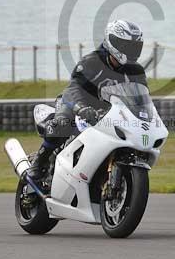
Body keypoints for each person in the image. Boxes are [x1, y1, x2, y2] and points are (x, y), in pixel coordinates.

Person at [27, 19, 148, 183]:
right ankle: (38, 163)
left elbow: (140, 99)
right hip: (75, 104)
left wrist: (145, 117)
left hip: (106, 113)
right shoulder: (92, 62)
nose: (132, 51)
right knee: (62, 125)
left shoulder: (136, 71)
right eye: (127, 46)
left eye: (135, 46)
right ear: (113, 42)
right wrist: (81, 108)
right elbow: (73, 90)